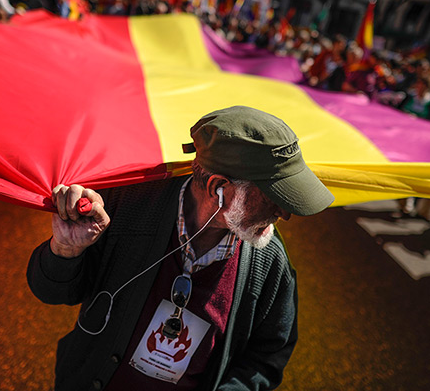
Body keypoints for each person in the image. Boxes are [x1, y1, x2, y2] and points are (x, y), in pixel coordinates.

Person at [27, 106, 335, 391]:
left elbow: (268, 354)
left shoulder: (270, 262)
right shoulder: (124, 204)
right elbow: (51, 292)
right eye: (272, 196)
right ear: (218, 187)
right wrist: (66, 249)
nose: (285, 213)